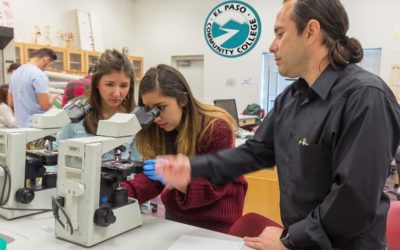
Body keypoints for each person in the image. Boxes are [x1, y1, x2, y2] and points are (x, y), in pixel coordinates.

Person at [156, 0, 400, 249]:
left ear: (311, 32)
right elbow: (255, 152)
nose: (272, 46)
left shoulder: (366, 97)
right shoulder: (292, 98)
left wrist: (291, 239)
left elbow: (353, 201)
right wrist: (191, 167)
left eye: (280, 34)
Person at [119, 64, 248, 233]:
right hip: (177, 214)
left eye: (161, 107)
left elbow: (212, 186)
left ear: (183, 99)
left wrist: (176, 176)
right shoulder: (163, 129)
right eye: (149, 110)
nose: (156, 118)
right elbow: (153, 180)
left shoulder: (216, 129)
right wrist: (119, 194)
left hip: (215, 217)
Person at [54, 49, 140, 162]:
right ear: (97, 83)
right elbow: (57, 151)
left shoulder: (134, 115)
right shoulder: (75, 112)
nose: (116, 93)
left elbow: (137, 158)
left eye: (124, 86)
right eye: (109, 84)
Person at [8, 48, 57, 127]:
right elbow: (45, 106)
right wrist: (53, 97)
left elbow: (11, 102)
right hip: (35, 127)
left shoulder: (15, 73)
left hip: (20, 126)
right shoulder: (38, 75)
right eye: (49, 66)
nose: (46, 69)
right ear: (46, 60)